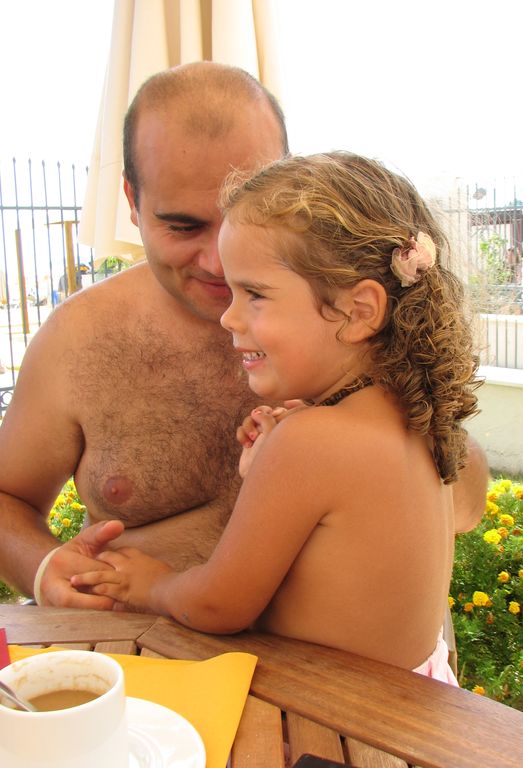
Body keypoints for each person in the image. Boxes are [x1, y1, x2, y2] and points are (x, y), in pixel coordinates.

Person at [71, 152, 483, 682]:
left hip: (336, 713)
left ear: (359, 311)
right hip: (419, 694)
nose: (229, 316)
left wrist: (151, 584)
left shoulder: (309, 441)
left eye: (255, 295)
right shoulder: (417, 421)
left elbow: (220, 604)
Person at [0, 61, 289, 607]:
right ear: (132, 202)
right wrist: (43, 567)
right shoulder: (80, 339)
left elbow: (454, 490)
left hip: (331, 657)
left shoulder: (358, 315)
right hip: (138, 651)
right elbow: (6, 497)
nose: (218, 260)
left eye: (244, 215)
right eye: (183, 226)